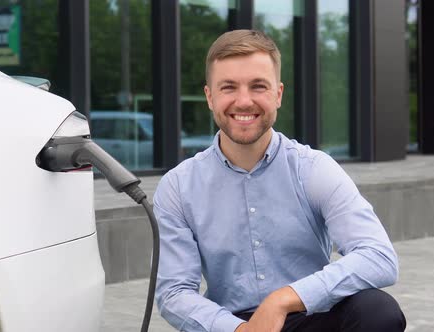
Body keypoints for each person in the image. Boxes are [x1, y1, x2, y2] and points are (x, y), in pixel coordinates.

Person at [153, 29, 406, 332]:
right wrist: (239, 330)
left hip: (310, 315)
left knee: (378, 311)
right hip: (230, 324)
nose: (243, 101)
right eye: (228, 87)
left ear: (278, 94)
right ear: (210, 97)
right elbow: (174, 293)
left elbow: (379, 257)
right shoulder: (178, 187)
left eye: (258, 86)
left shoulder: (313, 169)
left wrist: (284, 299)